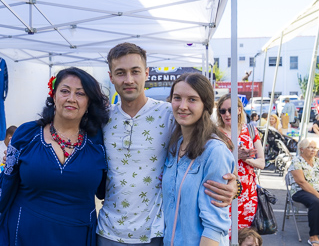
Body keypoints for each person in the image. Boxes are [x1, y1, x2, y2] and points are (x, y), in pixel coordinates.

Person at [97, 42, 238, 246]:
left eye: (135, 71)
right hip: (107, 233)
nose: (128, 79)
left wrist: (236, 185)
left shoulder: (170, 115)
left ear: (146, 73)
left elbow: (215, 153)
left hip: (155, 235)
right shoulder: (102, 118)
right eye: (120, 72)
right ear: (111, 77)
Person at [0, 68, 109, 245]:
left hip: (77, 236)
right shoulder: (27, 134)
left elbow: (106, 189)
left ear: (89, 102)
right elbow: (5, 186)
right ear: (54, 95)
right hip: (25, 234)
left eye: (80, 93)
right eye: (65, 91)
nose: (71, 98)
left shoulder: (99, 142)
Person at [162, 73, 235, 246]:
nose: (183, 106)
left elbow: (215, 225)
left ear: (206, 105)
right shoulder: (174, 144)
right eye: (177, 98)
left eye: (192, 99)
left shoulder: (214, 151)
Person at [217, 94, 265, 231]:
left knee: (244, 235)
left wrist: (245, 159)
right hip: (224, 189)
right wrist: (235, 156)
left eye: (230, 110)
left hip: (248, 193)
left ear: (239, 110)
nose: (227, 114)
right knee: (224, 233)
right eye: (222, 111)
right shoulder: (215, 133)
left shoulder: (250, 130)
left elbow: (261, 163)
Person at [288, 138, 319, 246]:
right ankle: (313, 237)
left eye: (314, 148)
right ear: (302, 149)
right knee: (316, 202)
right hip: (301, 191)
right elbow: (301, 182)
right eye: (310, 147)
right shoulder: (296, 161)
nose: (313, 150)